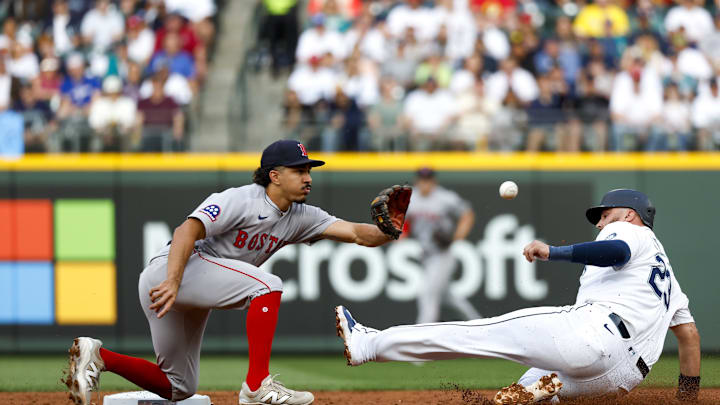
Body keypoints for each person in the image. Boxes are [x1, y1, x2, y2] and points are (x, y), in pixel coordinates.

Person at [64, 140, 407, 405]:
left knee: (179, 387)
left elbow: (359, 234)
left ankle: (98, 356)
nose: (308, 177)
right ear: (274, 175)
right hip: (171, 275)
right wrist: (172, 279)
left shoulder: (303, 216)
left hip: (192, 291)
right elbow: (187, 231)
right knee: (267, 285)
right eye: (299, 170)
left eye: (309, 170)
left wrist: (390, 230)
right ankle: (257, 385)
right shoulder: (243, 199)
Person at [335, 189, 701, 404]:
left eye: (605, 215)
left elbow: (616, 251)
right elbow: (689, 338)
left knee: (476, 333)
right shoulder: (668, 279)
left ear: (630, 214)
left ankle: (368, 344)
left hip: (593, 335)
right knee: (524, 391)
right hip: (620, 379)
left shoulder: (629, 232)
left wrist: (553, 252)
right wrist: (687, 398)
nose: (601, 223)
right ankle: (546, 390)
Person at [405, 168, 479, 324]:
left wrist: (457, 236)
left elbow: (467, 214)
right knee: (447, 297)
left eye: (428, 179)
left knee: (427, 293)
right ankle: (479, 323)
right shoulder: (411, 200)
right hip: (426, 254)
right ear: (417, 181)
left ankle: (422, 336)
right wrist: (400, 235)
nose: (425, 183)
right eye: (422, 179)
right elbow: (404, 222)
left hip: (442, 254)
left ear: (434, 181)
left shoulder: (445, 198)